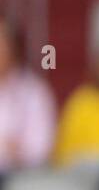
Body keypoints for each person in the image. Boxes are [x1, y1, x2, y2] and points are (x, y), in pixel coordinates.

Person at [0, 19, 57, 175]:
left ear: (13, 48)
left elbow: (41, 149)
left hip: (17, 176)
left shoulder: (34, 92)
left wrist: (15, 152)